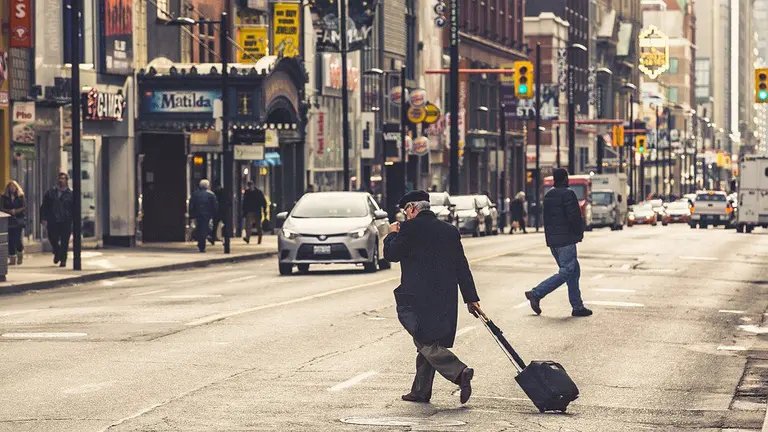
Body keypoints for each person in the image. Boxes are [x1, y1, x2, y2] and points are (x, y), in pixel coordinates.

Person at [384, 190, 481, 405]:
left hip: (417, 298)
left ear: (412, 208)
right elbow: (461, 266)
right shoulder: (449, 230)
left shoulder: (409, 229)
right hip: (445, 297)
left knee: (424, 339)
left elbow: (391, 254)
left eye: (405, 211)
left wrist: (391, 234)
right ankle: (420, 390)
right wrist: (470, 297)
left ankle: (459, 371)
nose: (404, 216)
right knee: (429, 340)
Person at [525, 169, 592, 317]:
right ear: (565, 179)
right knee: (567, 271)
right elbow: (574, 217)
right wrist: (579, 233)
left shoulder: (548, 195)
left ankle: (577, 306)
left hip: (553, 241)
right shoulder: (568, 194)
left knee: (574, 271)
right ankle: (536, 293)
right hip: (566, 240)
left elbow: (546, 219)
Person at [40, 172, 74, 267]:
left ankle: (63, 259)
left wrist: (74, 220)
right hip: (53, 220)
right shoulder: (51, 192)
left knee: (64, 241)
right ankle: (57, 251)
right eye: (60, 178)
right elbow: (44, 206)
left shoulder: (70, 193)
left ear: (66, 181)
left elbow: (74, 208)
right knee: (52, 238)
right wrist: (43, 218)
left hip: (65, 221)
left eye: (63, 178)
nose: (61, 180)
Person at [189, 179, 218, 252]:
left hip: (198, 214)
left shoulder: (195, 194)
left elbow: (191, 205)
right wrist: (213, 214)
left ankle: (200, 242)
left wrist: (191, 214)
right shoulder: (211, 194)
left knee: (199, 228)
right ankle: (202, 244)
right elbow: (214, 206)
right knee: (204, 229)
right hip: (207, 215)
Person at [1, 180, 26, 265]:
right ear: (8, 188)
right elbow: (1, 208)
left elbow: (24, 207)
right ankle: (12, 257)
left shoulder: (20, 196)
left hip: (18, 220)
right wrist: (9, 211)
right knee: (10, 239)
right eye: (10, 187)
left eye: (14, 186)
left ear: (16, 187)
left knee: (17, 239)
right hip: (9, 221)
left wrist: (15, 211)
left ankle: (20, 252)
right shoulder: (4, 197)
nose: (12, 188)